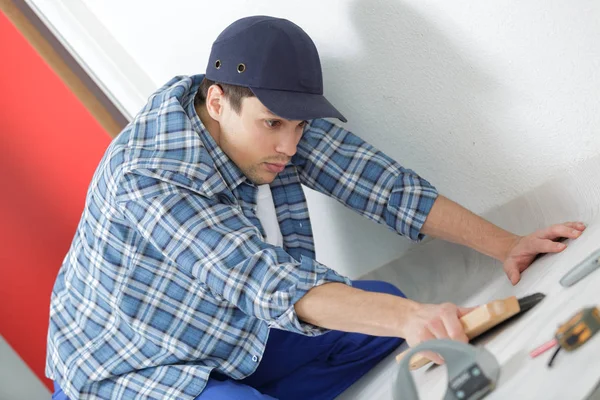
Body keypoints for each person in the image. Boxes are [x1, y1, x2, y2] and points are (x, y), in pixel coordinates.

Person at [46, 15, 585, 400]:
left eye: (299, 125)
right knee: (395, 318)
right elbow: (259, 278)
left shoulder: (264, 115)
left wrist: (507, 245)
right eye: (274, 125)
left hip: (223, 328)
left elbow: (379, 184)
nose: (290, 144)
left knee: (383, 307)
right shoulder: (148, 180)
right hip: (129, 367)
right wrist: (413, 320)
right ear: (216, 101)